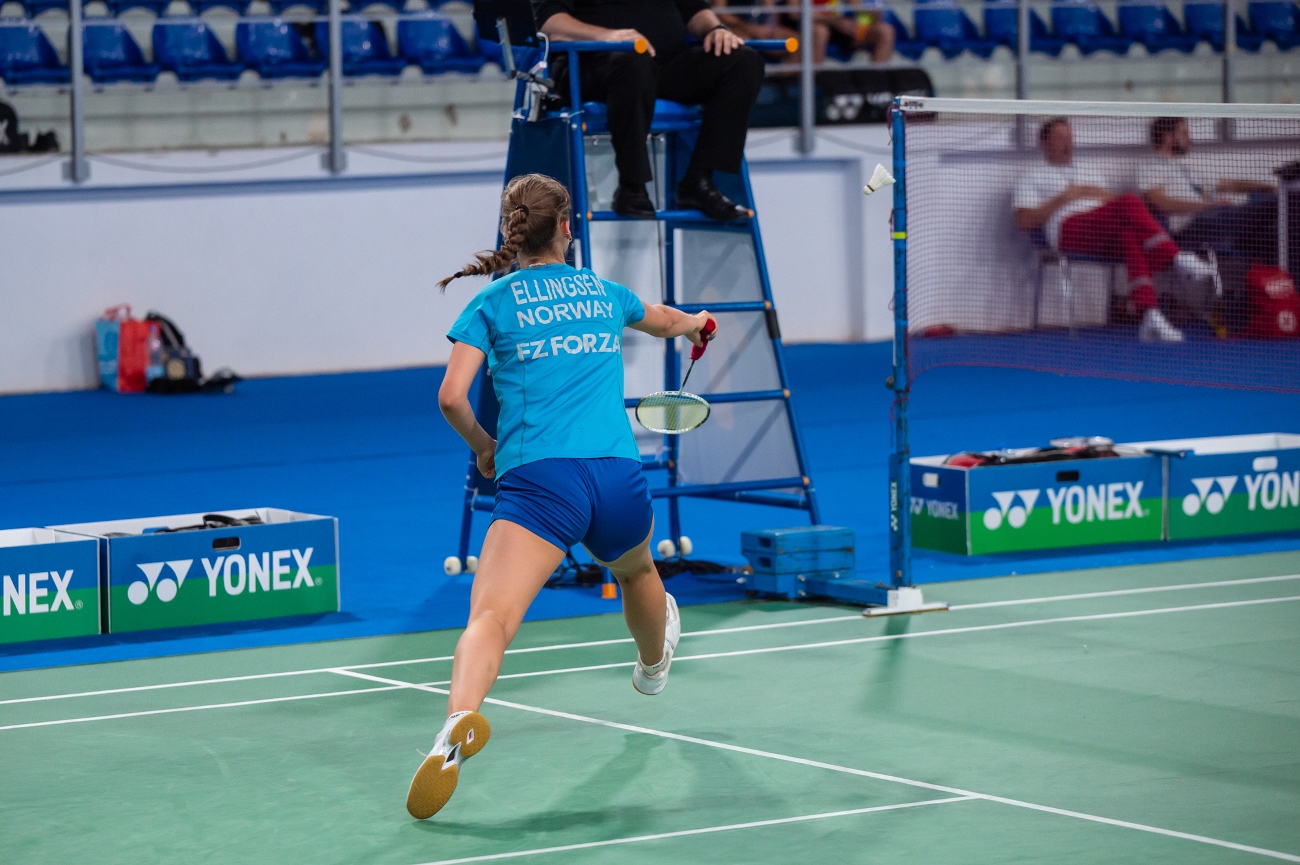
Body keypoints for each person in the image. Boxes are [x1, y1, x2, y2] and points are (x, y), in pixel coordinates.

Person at [406, 173, 718, 821]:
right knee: (637, 571)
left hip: (541, 483)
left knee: (491, 618)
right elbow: (663, 319)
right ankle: (653, 665)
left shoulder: (492, 302)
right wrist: (695, 324)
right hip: (617, 475)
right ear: (568, 229)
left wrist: (484, 446)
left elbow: (451, 398)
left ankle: (458, 723)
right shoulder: (603, 291)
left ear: (511, 230)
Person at [537, 0, 764, 221]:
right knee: (633, 64)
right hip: (594, 61)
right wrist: (608, 36)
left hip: (663, 64)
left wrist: (716, 29)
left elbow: (695, 10)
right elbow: (549, 22)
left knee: (744, 62)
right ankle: (632, 186)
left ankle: (699, 181)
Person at [1013, 117, 1218, 343]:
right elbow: (1023, 221)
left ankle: (1149, 314)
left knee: (1129, 235)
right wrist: (1065, 197)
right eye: (1060, 138)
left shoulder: (1089, 170)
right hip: (1068, 230)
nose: (1068, 143)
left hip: (1100, 230)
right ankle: (1177, 258)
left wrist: (1096, 194)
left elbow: (1114, 204)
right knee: (1130, 200)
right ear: (1044, 143)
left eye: (1070, 137)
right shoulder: (1032, 175)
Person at [1139, 116, 1278, 262]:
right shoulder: (1151, 167)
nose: (1190, 138)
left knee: (1274, 231)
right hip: (1192, 229)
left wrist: (1268, 187)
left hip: (1216, 218)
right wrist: (1208, 205)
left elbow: (1229, 184)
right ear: (1167, 137)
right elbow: (1161, 203)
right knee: (1274, 205)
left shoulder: (1187, 168)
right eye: (1184, 133)